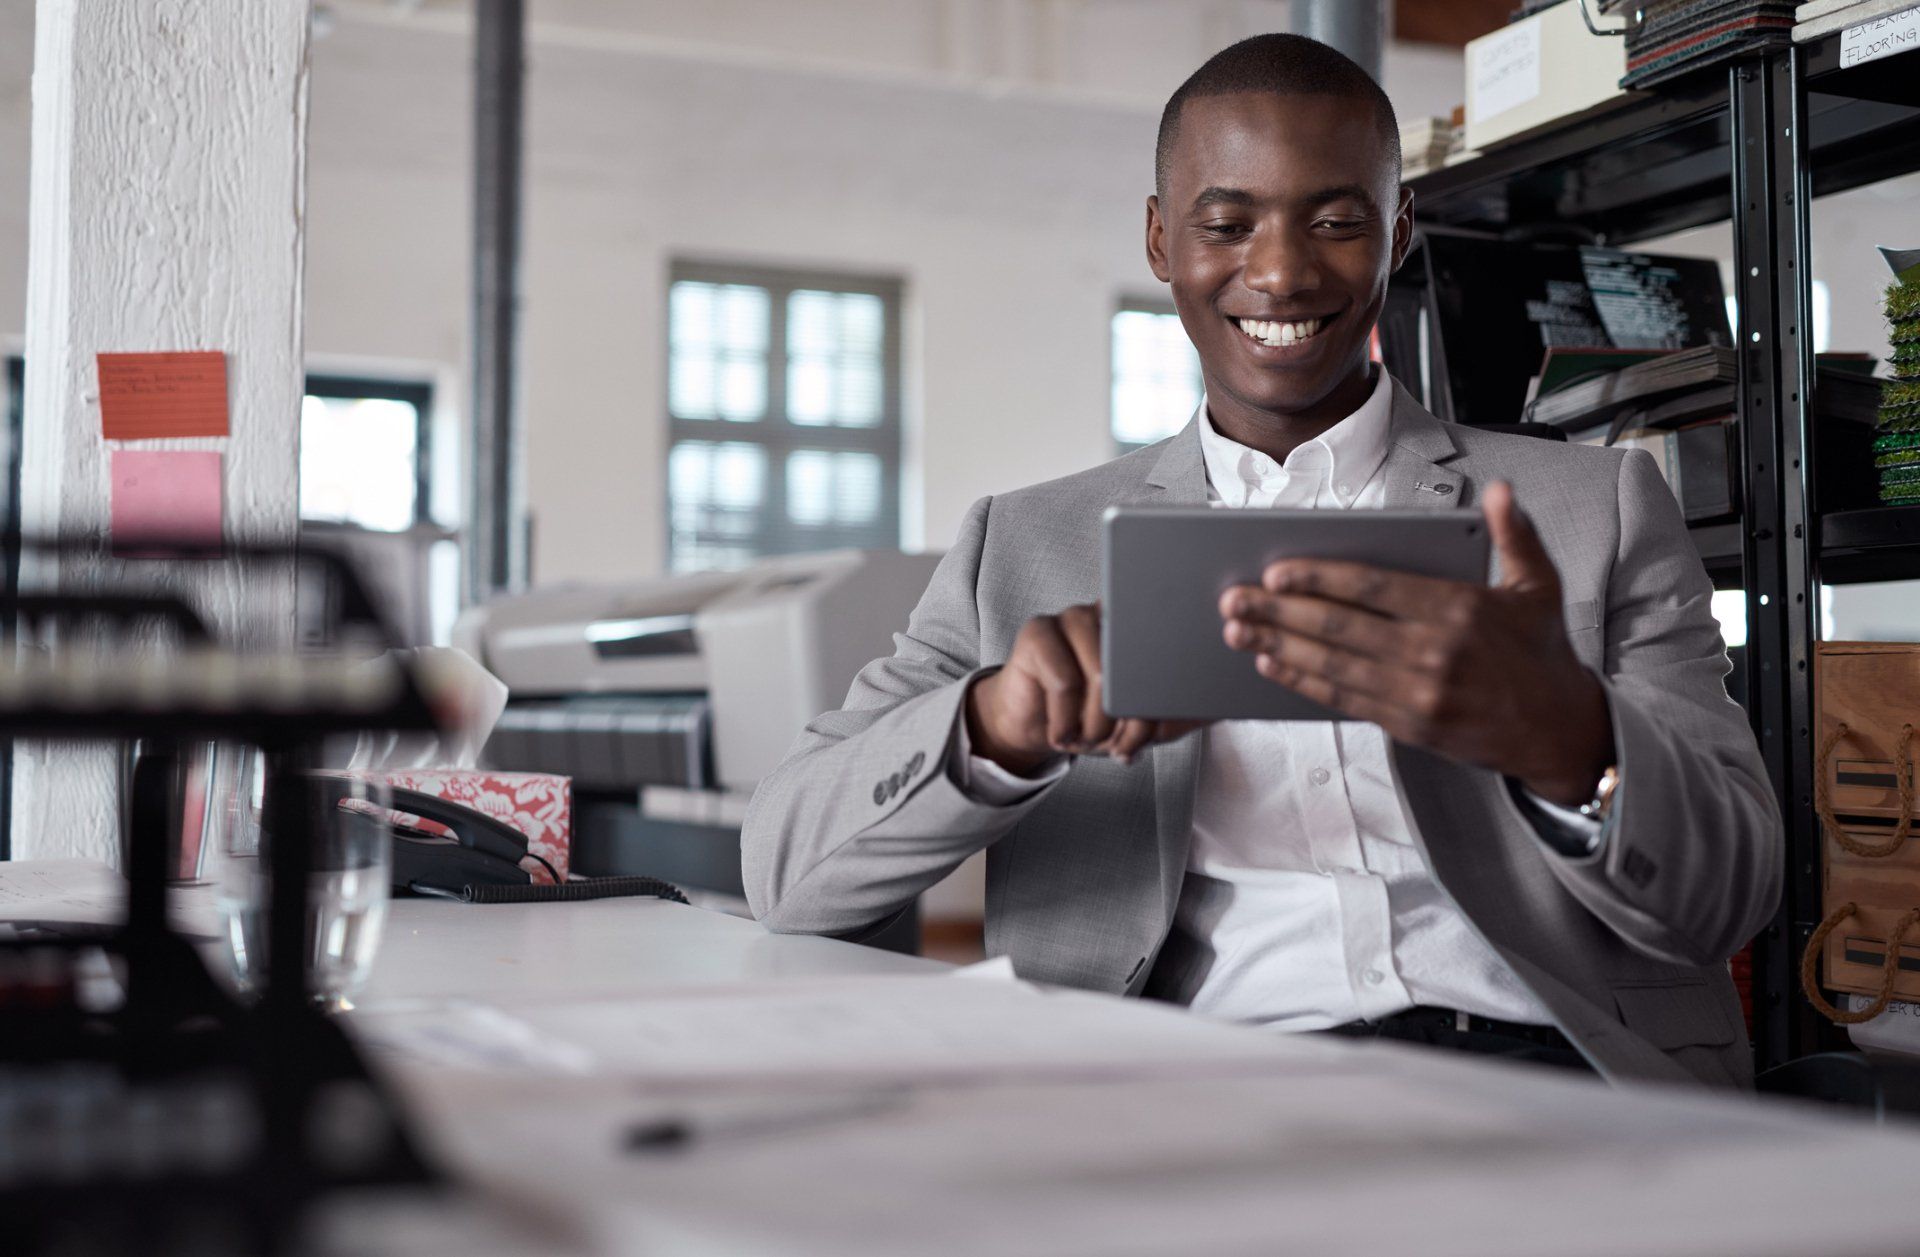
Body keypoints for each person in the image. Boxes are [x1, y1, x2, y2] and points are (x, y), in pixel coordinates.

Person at [740, 33, 1780, 1087]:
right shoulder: (1021, 544)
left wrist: (1568, 739)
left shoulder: (1590, 510)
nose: (1281, 273)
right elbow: (787, 872)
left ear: (1398, 233)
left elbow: (1733, 893)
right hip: (1183, 1084)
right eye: (1227, 224)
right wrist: (995, 727)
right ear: (1159, 239)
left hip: (1545, 1075)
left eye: (1335, 223)